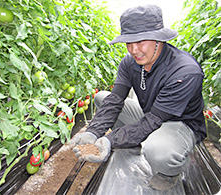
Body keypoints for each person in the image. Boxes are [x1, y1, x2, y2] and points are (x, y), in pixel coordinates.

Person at [70, 4, 206, 191]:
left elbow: (153, 121)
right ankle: (131, 143)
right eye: (128, 42)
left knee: (158, 150)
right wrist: (93, 131)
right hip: (150, 114)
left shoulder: (185, 71)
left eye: (141, 41)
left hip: (179, 124)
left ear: (159, 39)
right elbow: (115, 99)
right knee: (103, 98)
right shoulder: (130, 63)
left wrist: (110, 140)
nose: (133, 50)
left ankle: (169, 173)